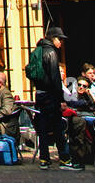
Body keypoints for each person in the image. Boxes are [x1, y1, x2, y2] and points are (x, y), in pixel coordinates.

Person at [30, 25, 77, 170]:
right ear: (52, 38)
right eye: (59, 39)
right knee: (58, 127)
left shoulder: (37, 50)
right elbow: (55, 77)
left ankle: (44, 160)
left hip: (40, 93)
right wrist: (61, 99)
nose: (61, 43)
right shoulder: (51, 52)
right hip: (51, 95)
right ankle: (64, 159)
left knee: (43, 129)